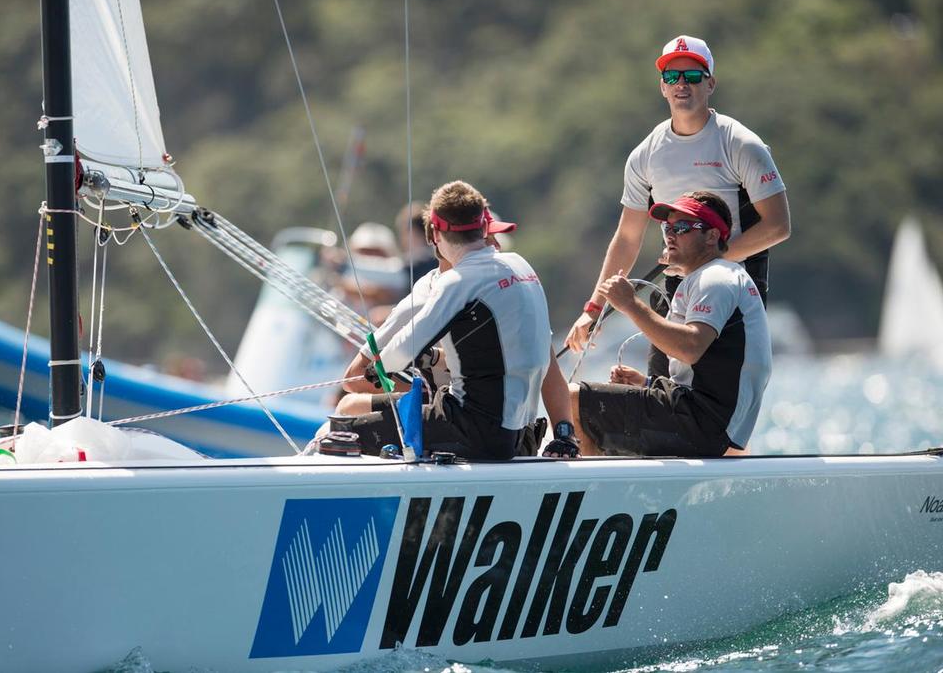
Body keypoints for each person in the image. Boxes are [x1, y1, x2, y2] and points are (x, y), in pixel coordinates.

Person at [566, 35, 790, 380]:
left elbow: (778, 226)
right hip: (675, 287)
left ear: (710, 83)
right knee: (660, 397)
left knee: (716, 404)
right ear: (662, 87)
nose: (681, 84)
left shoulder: (742, 144)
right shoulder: (645, 155)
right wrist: (593, 310)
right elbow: (627, 239)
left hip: (732, 288)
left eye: (692, 76)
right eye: (672, 77)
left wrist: (704, 262)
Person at [333, 180, 553, 461]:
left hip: (473, 430)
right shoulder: (521, 266)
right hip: (522, 434)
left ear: (434, 233)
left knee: (346, 429)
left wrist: (380, 368)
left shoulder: (458, 281)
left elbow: (404, 349)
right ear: (485, 228)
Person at [570, 191, 771, 457]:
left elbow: (690, 347)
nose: (670, 235)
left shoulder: (717, 278)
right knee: (593, 409)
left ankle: (594, 494)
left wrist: (630, 304)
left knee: (572, 399)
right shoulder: (709, 277)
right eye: (667, 227)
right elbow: (706, 370)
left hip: (702, 425)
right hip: (699, 419)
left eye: (683, 227)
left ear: (712, 236)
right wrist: (646, 384)